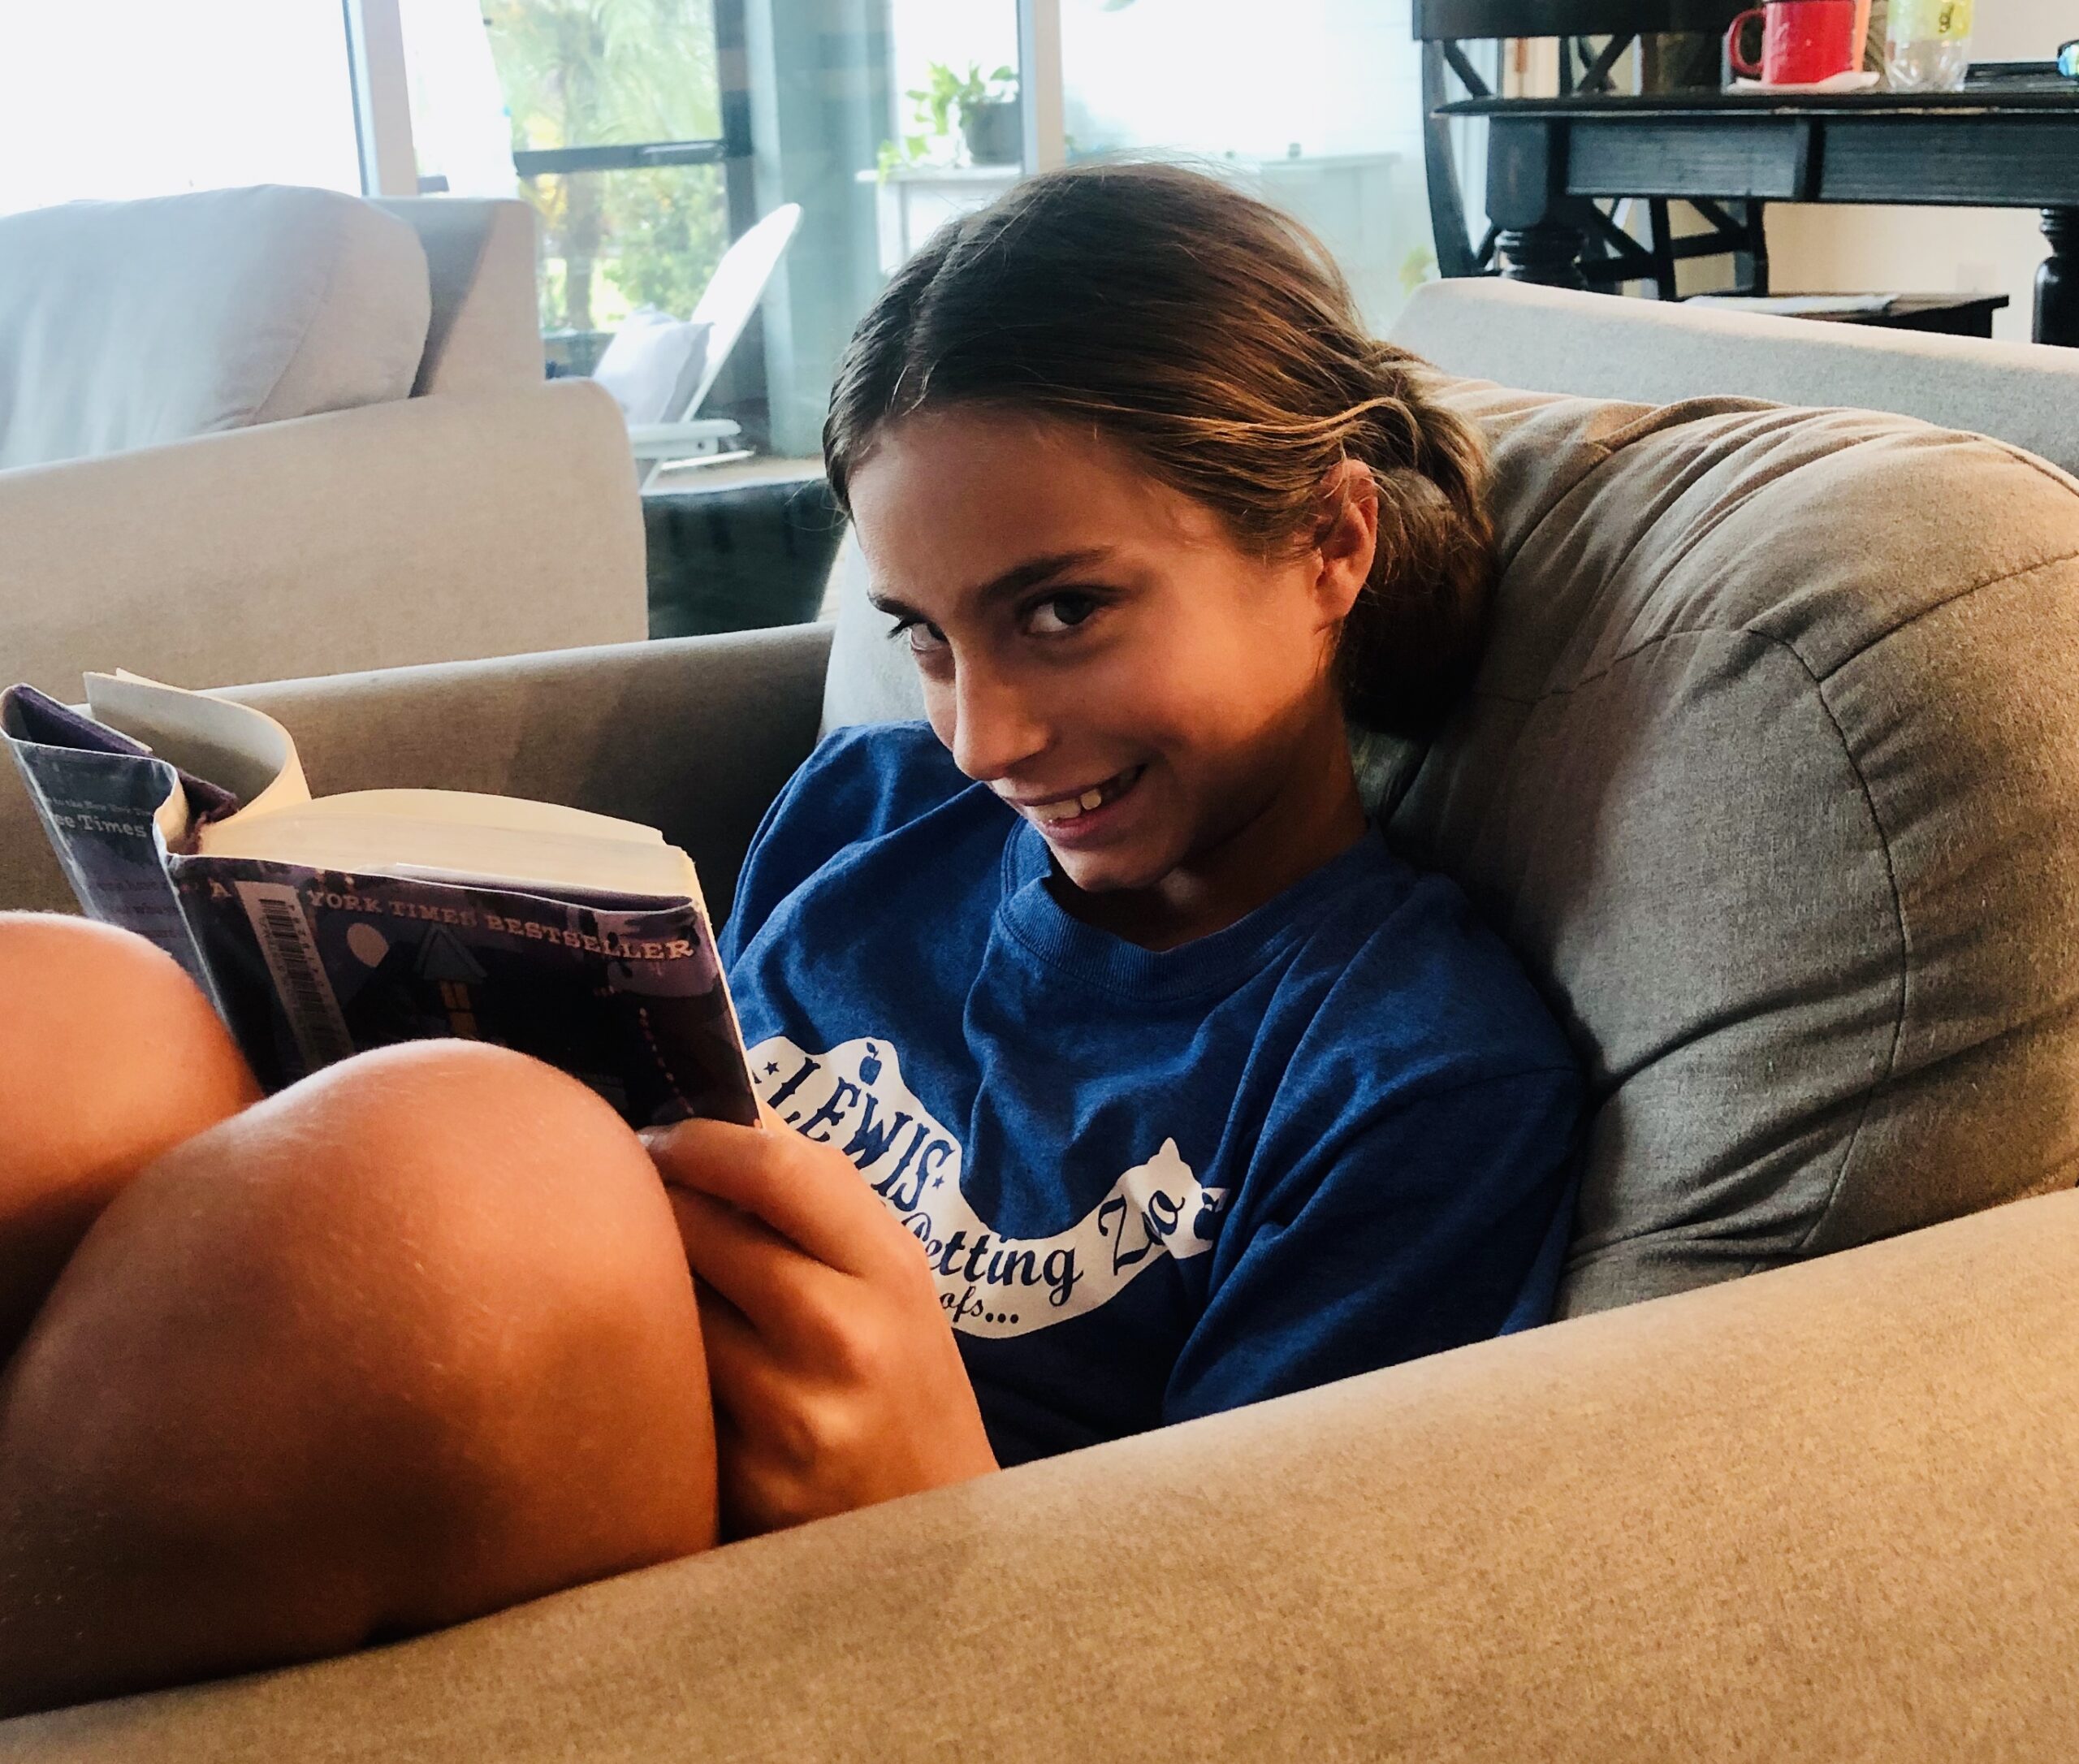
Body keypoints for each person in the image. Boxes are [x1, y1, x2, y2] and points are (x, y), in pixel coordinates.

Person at [0, 161, 1581, 1719]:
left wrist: (949, 1505)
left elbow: (1286, 1661)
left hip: (884, 1605)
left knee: (463, 1179)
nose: (979, 739)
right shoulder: (870, 811)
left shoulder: (1412, 1072)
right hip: (549, 1375)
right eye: (924, 637)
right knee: (80, 1018)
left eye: (1061, 613)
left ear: (1327, 546)